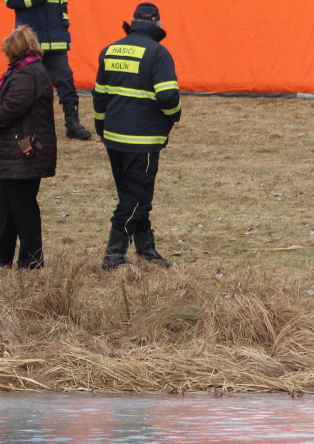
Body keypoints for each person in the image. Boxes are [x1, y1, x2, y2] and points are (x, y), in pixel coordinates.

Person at [93, 3, 180, 271]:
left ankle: (146, 251)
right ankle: (113, 255)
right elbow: (168, 96)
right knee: (134, 198)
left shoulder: (110, 50)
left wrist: (101, 129)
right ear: (157, 25)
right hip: (141, 141)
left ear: (133, 23)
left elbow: (99, 96)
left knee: (133, 194)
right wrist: (173, 116)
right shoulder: (158, 53)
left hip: (114, 138)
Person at [0, 27, 57, 271]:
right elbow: (0, 102)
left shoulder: (27, 74)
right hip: (15, 150)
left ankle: (31, 262)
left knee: (23, 208)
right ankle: (0, 258)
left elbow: (11, 108)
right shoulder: (24, 71)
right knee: (6, 206)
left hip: (23, 150)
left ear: (15, 48)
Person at [4, 0, 90, 140]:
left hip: (56, 41)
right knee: (26, 84)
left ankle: (73, 125)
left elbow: (62, 9)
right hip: (30, 42)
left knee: (65, 79)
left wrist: (63, 29)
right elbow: (10, 2)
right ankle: (22, 125)